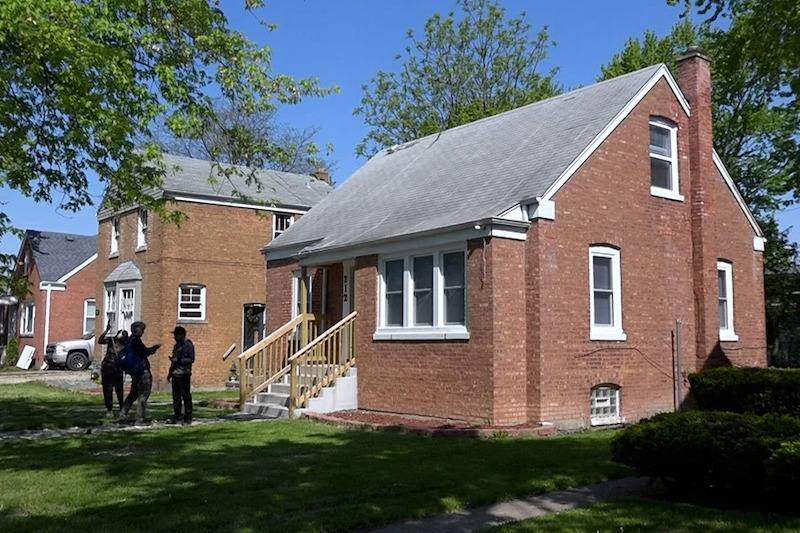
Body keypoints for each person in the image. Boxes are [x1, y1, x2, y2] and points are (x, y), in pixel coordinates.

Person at [118, 321, 160, 425]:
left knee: (133, 394)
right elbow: (145, 352)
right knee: (144, 394)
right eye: (142, 329)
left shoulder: (129, 340)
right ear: (138, 329)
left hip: (134, 372)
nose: (143, 332)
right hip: (142, 371)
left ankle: (122, 415)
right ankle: (139, 418)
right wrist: (154, 348)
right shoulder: (136, 341)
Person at [97, 323, 127, 417]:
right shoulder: (112, 340)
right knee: (107, 389)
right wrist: (106, 330)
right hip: (107, 366)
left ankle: (122, 408)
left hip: (118, 368)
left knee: (119, 389)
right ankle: (109, 408)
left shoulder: (126, 345)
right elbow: (100, 341)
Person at [167, 326, 195, 424]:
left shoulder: (188, 345)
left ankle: (188, 416)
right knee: (176, 397)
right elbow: (173, 361)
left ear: (181, 335)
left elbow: (191, 359)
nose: (174, 337)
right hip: (175, 374)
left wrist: (179, 360)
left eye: (176, 335)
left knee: (186, 396)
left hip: (184, 373)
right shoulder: (176, 345)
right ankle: (177, 416)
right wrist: (170, 373)